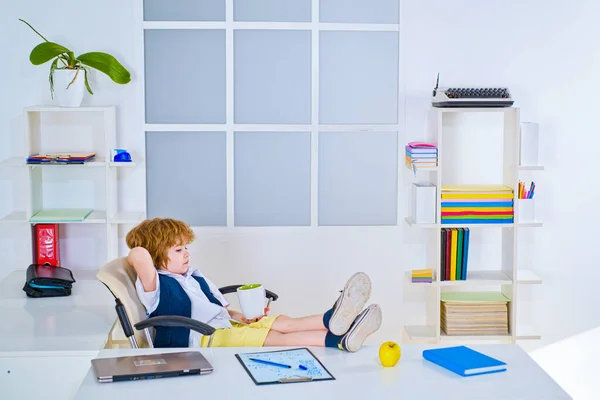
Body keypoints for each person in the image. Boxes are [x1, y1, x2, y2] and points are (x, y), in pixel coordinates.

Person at [126, 217, 382, 352]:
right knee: (275, 338)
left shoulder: (192, 276)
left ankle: (334, 319)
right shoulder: (154, 286)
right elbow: (138, 255)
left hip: (224, 325)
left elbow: (222, 310)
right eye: (178, 249)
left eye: (186, 248)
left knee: (283, 322)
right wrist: (151, 247)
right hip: (204, 339)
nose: (186, 254)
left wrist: (243, 316)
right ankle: (338, 339)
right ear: (157, 254)